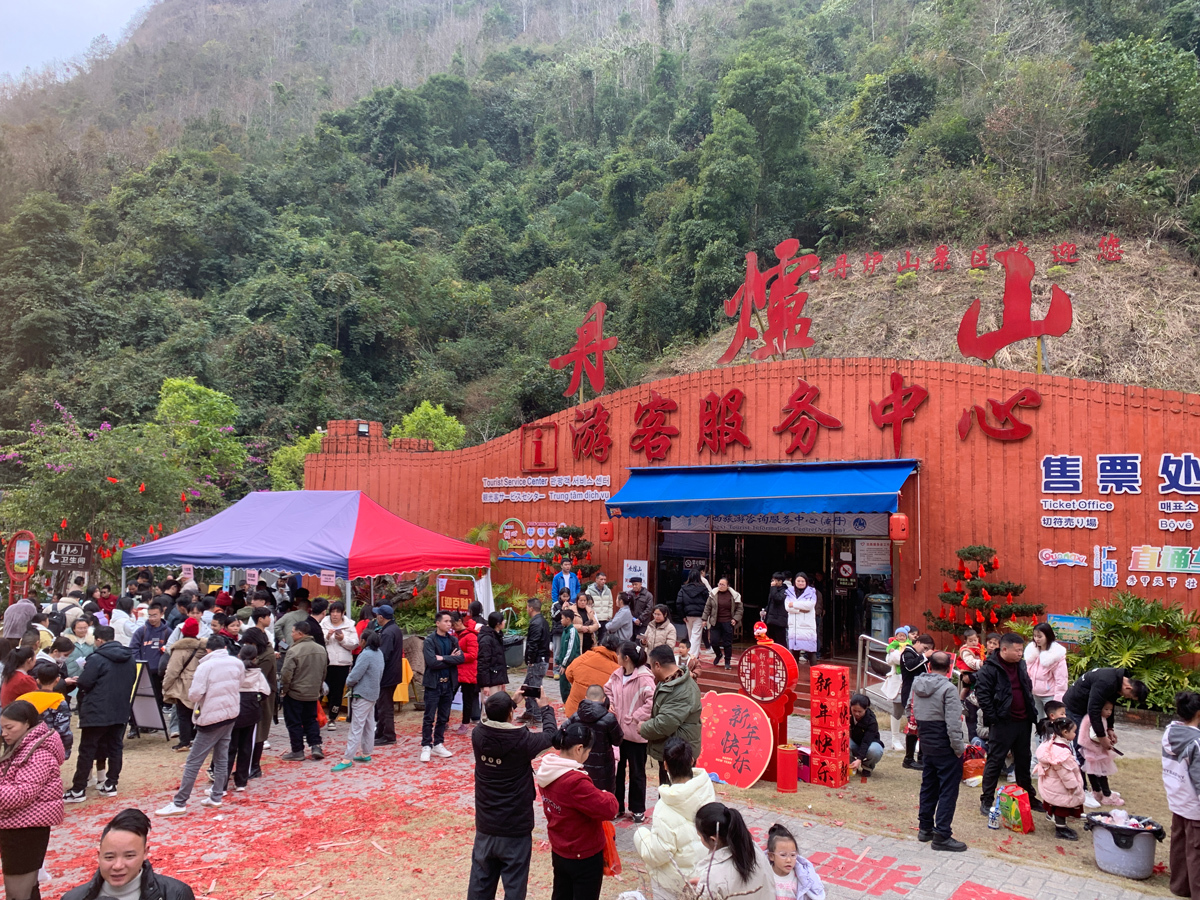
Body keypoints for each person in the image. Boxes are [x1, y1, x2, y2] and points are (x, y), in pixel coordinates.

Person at [467, 689, 557, 900]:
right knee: (514, 886)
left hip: (486, 824)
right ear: (510, 713)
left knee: (480, 885)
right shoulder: (521, 740)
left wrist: (510, 704)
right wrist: (545, 708)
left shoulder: (478, 735)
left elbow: (491, 720)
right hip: (515, 826)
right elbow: (551, 736)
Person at [156, 635, 246, 815]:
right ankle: (216, 796)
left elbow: (194, 694)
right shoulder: (237, 663)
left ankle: (180, 802)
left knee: (193, 761)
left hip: (211, 716)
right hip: (230, 713)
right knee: (221, 757)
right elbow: (240, 683)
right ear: (225, 647)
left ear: (208, 650)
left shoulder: (205, 666)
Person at [536, 721, 619, 900]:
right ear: (579, 749)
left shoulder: (548, 770)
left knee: (561, 894)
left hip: (560, 849)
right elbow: (609, 809)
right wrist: (607, 794)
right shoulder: (574, 781)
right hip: (583, 854)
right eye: (588, 752)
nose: (587, 756)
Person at [633, 736, 716, 900]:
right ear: (692, 761)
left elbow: (657, 855)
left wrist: (641, 836)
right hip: (703, 877)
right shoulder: (706, 790)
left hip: (674, 884)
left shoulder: (665, 807)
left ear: (665, 765)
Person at [0, 700, 64, 900]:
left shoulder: (38, 754)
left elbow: (22, 794)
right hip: (18, 826)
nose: (4, 733)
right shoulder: (23, 747)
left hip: (25, 830)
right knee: (28, 890)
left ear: (27, 724)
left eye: (9, 727)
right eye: (2, 728)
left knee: (17, 894)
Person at [975, 632, 1043, 817]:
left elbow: (1026, 687)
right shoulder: (989, 669)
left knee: (1024, 759)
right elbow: (983, 696)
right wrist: (994, 718)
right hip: (1002, 722)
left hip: (1023, 720)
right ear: (1004, 649)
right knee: (995, 760)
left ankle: (1028, 796)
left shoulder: (1021, 664)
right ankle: (986, 799)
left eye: (1022, 650)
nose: (1020, 653)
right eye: (1017, 650)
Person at [65, 626, 135, 803]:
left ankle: (78, 789)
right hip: (120, 708)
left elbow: (85, 682)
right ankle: (111, 783)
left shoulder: (96, 658)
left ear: (99, 640)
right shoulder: (129, 658)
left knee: (87, 749)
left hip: (96, 710)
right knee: (115, 747)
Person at [62, 808, 195, 900]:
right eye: (109, 857)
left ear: (145, 853)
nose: (118, 866)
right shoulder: (73, 898)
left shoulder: (175, 894)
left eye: (129, 856)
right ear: (98, 855)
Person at [913, 651, 967, 852]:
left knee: (929, 785)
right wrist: (959, 749)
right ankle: (942, 834)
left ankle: (925, 828)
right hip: (944, 743)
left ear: (929, 666)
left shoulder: (917, 684)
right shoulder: (948, 688)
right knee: (947, 790)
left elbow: (911, 711)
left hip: (926, 741)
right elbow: (953, 724)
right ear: (949, 668)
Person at [605, 641, 655, 823]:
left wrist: (634, 716)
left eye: (618, 654)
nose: (616, 657)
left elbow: (652, 702)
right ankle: (617, 806)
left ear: (626, 658)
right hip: (618, 733)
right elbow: (607, 689)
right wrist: (610, 703)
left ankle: (638, 808)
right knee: (617, 771)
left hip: (636, 734)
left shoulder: (644, 678)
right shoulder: (617, 674)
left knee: (637, 772)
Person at [640, 644, 702, 776]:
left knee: (677, 787)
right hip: (670, 748)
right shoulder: (667, 681)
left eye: (651, 666)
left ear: (657, 665)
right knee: (666, 786)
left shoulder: (681, 690)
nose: (651, 670)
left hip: (679, 754)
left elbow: (664, 724)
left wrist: (643, 728)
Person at [692, 802, 774, 900]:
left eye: (700, 836)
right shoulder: (753, 848)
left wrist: (704, 888)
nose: (700, 839)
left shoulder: (712, 875)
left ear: (713, 839)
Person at [1162, 690, 1200, 900]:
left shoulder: (1169, 732)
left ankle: (1179, 887)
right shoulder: (1196, 742)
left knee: (1180, 844)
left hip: (1177, 799)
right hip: (1194, 805)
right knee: (1196, 852)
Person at [1062, 666, 1147, 752]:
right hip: (1074, 706)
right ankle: (1071, 759)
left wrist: (1109, 728)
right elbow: (1094, 710)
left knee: (1088, 743)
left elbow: (1109, 705)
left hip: (1086, 706)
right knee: (1080, 743)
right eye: (1130, 696)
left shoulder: (1118, 682)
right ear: (1128, 688)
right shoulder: (1106, 682)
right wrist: (1102, 738)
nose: (1126, 697)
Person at [334, 629, 383, 772]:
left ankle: (347, 758)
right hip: (373, 693)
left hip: (362, 694)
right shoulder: (379, 653)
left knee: (356, 727)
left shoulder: (366, 654)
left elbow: (355, 675)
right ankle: (366, 753)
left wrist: (349, 682)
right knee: (369, 724)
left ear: (364, 641)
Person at [279, 620, 328, 762]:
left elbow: (286, 674)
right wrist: (318, 688)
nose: (291, 634)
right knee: (311, 719)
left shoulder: (294, 651)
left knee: (294, 722)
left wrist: (284, 690)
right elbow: (323, 672)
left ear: (300, 634)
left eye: (293, 632)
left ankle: (297, 750)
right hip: (312, 692)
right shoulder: (321, 649)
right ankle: (316, 746)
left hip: (295, 692)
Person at [421, 611, 464, 762]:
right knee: (429, 716)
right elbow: (432, 662)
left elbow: (460, 658)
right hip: (434, 683)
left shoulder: (453, 640)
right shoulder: (429, 641)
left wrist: (444, 658)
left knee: (443, 716)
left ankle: (438, 743)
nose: (449, 624)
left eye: (450, 621)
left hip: (449, 683)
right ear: (437, 623)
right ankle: (426, 745)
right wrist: (450, 659)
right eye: (446, 621)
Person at [227, 637, 269, 791]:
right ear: (255, 658)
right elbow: (265, 692)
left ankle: (222, 783)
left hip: (233, 711)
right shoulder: (258, 674)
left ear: (239, 656)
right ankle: (241, 782)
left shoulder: (232, 672)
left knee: (229, 748)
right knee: (246, 748)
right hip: (251, 712)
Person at [1035, 716, 1086, 840]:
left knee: (1055, 803)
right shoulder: (1061, 753)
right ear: (1065, 732)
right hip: (1061, 785)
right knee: (1061, 806)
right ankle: (1061, 829)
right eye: (1074, 731)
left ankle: (1052, 817)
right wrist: (1073, 786)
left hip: (1053, 782)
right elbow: (1065, 773)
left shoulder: (1052, 744)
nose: (1075, 734)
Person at [567, 685, 623, 796]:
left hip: (580, 762)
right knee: (604, 796)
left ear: (586, 698)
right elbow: (617, 740)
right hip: (604, 766)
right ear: (604, 699)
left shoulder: (576, 716)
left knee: (583, 794)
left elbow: (563, 733)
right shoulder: (609, 718)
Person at [162, 618, 207, 752]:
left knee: (183, 714)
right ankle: (196, 739)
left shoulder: (179, 649)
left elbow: (172, 671)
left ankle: (184, 741)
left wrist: (166, 686)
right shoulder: (204, 648)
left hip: (184, 684)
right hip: (201, 683)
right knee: (198, 712)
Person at [243, 611, 276, 779]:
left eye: (249, 643)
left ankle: (254, 766)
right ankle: (249, 766)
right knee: (251, 733)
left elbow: (257, 677)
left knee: (259, 732)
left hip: (263, 697)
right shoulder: (258, 654)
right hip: (253, 697)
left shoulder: (267, 657)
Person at [130, 603, 171, 722]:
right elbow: (133, 648)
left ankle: (153, 723)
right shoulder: (141, 631)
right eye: (150, 615)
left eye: (155, 615)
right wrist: (139, 663)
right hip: (143, 671)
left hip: (159, 673)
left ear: (161, 614)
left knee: (157, 699)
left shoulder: (168, 632)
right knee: (140, 699)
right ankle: (137, 723)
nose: (152, 618)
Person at [22, 663, 74, 757]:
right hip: (50, 747)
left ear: (37, 681)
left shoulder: (25, 699)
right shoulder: (59, 701)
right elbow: (63, 729)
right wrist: (65, 750)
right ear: (57, 680)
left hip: (27, 746)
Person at [321, 601, 358, 731]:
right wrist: (327, 636)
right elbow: (318, 641)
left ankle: (332, 718)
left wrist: (342, 639)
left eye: (338, 612)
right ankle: (317, 717)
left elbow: (354, 644)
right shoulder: (323, 624)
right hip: (326, 663)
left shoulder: (350, 626)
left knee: (337, 692)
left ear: (343, 613)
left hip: (342, 664)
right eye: (333, 612)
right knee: (323, 690)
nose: (335, 615)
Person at [564, 634, 621, 718]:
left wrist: (578, 683)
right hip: (599, 714)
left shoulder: (585, 657)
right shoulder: (618, 670)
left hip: (575, 710)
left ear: (601, 644)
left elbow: (568, 674)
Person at [1079, 700, 1123, 807]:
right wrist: (1106, 741)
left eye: (1110, 710)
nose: (1109, 712)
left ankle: (1097, 791)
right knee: (1102, 773)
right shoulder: (1097, 720)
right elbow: (1094, 735)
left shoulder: (1093, 718)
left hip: (1090, 750)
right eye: (1106, 709)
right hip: (1096, 751)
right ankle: (1107, 795)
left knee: (1092, 771)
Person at [766, 823, 826, 900]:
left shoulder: (801, 878)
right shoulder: (765, 874)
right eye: (783, 855)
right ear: (771, 856)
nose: (789, 860)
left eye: (793, 855)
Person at [372, 605, 405, 746]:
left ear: (381, 617)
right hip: (394, 672)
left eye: (377, 615)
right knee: (383, 704)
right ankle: (380, 732)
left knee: (385, 705)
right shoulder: (394, 629)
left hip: (387, 674)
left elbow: (383, 655)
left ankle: (388, 735)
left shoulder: (387, 633)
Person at [900, 633, 933, 769]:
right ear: (917, 642)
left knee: (922, 726)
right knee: (912, 726)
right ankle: (908, 758)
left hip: (920, 695)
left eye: (928, 649)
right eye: (924, 648)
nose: (925, 651)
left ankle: (921, 756)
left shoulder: (918, 655)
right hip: (910, 695)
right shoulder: (907, 653)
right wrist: (925, 656)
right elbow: (909, 666)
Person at [1024, 622, 1067, 721]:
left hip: (1050, 695)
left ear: (1048, 636)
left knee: (1052, 722)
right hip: (1034, 693)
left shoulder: (1056, 654)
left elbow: (1061, 680)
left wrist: (1058, 700)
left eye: (1040, 636)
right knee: (1038, 721)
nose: (1036, 639)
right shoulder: (1032, 651)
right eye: (1035, 636)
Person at [521, 598, 551, 723]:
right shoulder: (542, 621)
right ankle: (529, 712)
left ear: (531, 608)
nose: (527, 609)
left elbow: (533, 643)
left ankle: (537, 716)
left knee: (533, 688)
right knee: (527, 686)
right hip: (540, 659)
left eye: (527, 607)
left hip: (537, 660)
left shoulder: (536, 623)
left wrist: (530, 660)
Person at [702, 577, 742, 670]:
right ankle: (718, 654)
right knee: (713, 641)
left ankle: (727, 661)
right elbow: (707, 607)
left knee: (727, 643)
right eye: (719, 584)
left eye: (723, 584)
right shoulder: (713, 594)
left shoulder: (734, 595)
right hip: (715, 622)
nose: (720, 586)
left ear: (728, 586)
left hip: (728, 622)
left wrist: (735, 619)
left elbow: (740, 609)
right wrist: (704, 619)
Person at [452, 612, 481, 733]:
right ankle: (443, 721)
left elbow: (473, 655)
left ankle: (465, 723)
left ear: (459, 621)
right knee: (448, 695)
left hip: (468, 671)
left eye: (453, 624)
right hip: (455, 670)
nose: (452, 627)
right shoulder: (454, 635)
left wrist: (459, 656)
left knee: (467, 699)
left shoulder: (471, 636)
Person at [785, 573, 818, 666]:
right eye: (798, 581)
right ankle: (794, 672)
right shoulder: (789, 592)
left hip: (807, 627)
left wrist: (794, 604)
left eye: (802, 581)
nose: (800, 583)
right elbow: (787, 607)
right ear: (794, 581)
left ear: (806, 582)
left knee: (811, 651)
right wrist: (801, 609)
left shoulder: (811, 592)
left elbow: (809, 606)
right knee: (794, 652)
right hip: (794, 627)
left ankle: (814, 673)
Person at [849, 693, 884, 778]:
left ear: (866, 709)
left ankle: (867, 767)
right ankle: (851, 765)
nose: (856, 713)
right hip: (853, 742)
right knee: (843, 742)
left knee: (875, 750)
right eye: (854, 710)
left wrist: (859, 759)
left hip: (869, 744)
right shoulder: (846, 713)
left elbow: (866, 741)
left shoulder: (871, 721)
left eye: (860, 711)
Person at [476, 612, 509, 699]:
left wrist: (502, 681)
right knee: (490, 705)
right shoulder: (486, 639)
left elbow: (500, 661)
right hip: (490, 681)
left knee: (499, 704)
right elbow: (483, 663)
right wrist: (485, 684)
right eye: (503, 620)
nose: (504, 622)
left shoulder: (497, 636)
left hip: (497, 679)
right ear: (498, 623)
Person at [676, 570, 709, 657]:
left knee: (691, 635)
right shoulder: (703, 588)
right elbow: (708, 603)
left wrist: (682, 616)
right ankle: (692, 656)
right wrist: (706, 617)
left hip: (687, 615)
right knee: (696, 636)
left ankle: (693, 654)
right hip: (699, 616)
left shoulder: (683, 589)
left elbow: (679, 603)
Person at [556, 606, 582, 706]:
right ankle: (566, 704)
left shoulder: (572, 631)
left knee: (566, 684)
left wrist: (564, 664)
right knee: (563, 684)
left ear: (568, 619)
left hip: (570, 664)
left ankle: (569, 704)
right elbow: (563, 648)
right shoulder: (565, 630)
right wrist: (559, 660)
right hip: (564, 663)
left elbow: (570, 650)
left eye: (562, 618)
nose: (561, 620)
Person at [763, 572, 789, 647]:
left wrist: (773, 588)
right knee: (771, 641)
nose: (773, 582)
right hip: (771, 620)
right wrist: (765, 610)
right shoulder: (773, 590)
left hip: (779, 621)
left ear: (780, 581)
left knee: (780, 642)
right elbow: (771, 603)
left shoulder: (785, 591)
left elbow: (778, 599)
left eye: (775, 580)